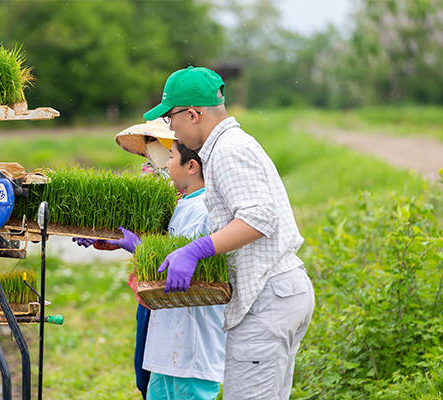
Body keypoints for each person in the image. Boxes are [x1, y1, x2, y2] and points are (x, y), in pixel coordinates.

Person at [141, 66, 315, 400]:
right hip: (279, 291)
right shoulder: (230, 146)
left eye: (170, 119)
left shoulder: (227, 151)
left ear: (192, 114)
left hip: (266, 297)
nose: (170, 128)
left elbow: (258, 218)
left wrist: (194, 251)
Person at [96, 140, 226, 400]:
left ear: (191, 166)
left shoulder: (204, 210)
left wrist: (141, 249)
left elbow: (185, 271)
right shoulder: (181, 205)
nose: (165, 164)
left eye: (171, 157)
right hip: (166, 346)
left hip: (191, 350)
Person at [75, 119, 176, 399]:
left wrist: (140, 245)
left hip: (177, 293)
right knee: (145, 375)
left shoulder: (190, 195)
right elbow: (142, 232)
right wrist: (109, 240)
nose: (149, 156)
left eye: (156, 147)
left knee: (170, 374)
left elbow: (177, 245)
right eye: (147, 149)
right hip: (148, 290)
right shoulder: (151, 181)